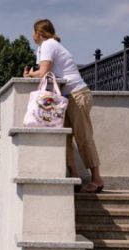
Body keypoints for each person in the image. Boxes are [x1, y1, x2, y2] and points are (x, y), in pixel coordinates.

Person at [23, 18, 103, 193]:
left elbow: (44, 72)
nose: (32, 36)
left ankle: (96, 179)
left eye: (33, 32)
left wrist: (30, 75)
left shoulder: (48, 45)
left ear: (38, 33)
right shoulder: (47, 47)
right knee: (63, 138)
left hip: (76, 94)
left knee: (83, 137)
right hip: (67, 97)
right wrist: (34, 73)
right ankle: (75, 178)